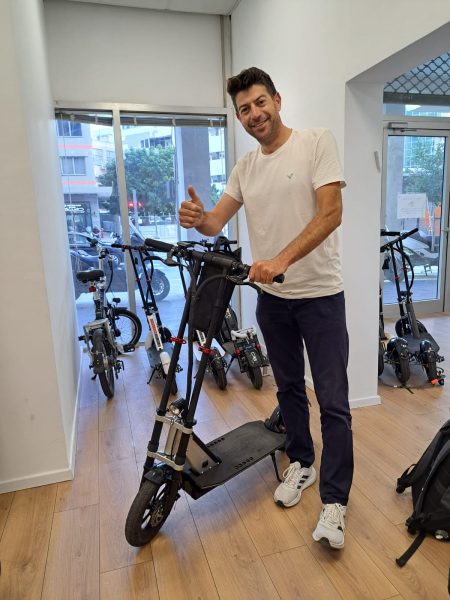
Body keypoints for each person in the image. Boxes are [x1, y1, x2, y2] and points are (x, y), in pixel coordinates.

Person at [178, 67, 353, 550]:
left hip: (321, 298)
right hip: (273, 303)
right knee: (290, 390)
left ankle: (335, 501)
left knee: (334, 403)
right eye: (244, 109)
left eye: (259, 102)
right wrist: (199, 219)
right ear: (238, 118)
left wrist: (280, 260)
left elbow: (331, 213)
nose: (254, 113)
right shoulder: (246, 167)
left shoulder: (316, 143)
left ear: (276, 99)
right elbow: (215, 222)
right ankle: (303, 464)